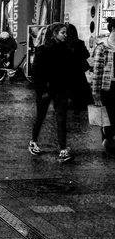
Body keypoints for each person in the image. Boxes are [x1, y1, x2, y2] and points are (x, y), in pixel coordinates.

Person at [29, 23, 78, 162]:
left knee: (61, 119)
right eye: (63, 32)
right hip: (46, 90)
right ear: (54, 34)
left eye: (66, 32)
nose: (66, 35)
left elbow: (69, 71)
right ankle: (33, 141)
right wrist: (42, 90)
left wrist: (69, 91)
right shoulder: (43, 50)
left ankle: (63, 149)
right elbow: (36, 72)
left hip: (60, 89)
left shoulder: (66, 49)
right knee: (40, 116)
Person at [91, 19, 115, 156]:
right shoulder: (103, 47)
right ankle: (108, 142)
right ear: (112, 31)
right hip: (108, 87)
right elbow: (97, 71)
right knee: (108, 118)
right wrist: (95, 93)